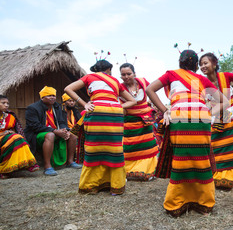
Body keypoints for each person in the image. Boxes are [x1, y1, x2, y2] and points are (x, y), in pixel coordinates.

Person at [146, 50, 225, 217]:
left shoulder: (171, 74)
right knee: (201, 159)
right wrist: (209, 112)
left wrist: (165, 110)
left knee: (181, 158)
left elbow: (149, 89)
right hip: (201, 118)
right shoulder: (201, 79)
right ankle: (204, 203)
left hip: (179, 116)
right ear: (196, 65)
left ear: (180, 62)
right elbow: (223, 101)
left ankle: (176, 203)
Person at [64, 59, 137, 195]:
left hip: (96, 110)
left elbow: (68, 88)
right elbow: (132, 101)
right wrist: (117, 106)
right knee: (114, 149)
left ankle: (90, 185)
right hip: (114, 113)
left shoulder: (89, 77)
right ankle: (116, 186)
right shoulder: (115, 81)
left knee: (94, 147)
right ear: (109, 69)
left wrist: (84, 103)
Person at [199, 52, 233, 190]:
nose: (202, 66)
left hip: (231, 114)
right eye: (201, 64)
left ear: (215, 63)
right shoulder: (202, 84)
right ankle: (222, 178)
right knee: (218, 147)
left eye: (205, 63)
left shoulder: (226, 76)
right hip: (216, 117)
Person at [24, 86, 81, 176]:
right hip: (37, 134)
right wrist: (54, 131)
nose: (52, 97)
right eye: (49, 95)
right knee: (50, 135)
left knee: (72, 135)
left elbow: (62, 121)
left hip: (54, 131)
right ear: (42, 97)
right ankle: (47, 166)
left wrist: (64, 130)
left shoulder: (56, 107)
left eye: (53, 95)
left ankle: (70, 161)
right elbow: (34, 126)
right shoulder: (33, 108)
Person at [119, 63, 159, 181]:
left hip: (145, 121)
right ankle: (127, 171)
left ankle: (147, 171)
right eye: (123, 75)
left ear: (134, 73)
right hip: (129, 122)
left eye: (129, 74)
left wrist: (153, 105)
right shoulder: (119, 88)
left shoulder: (143, 81)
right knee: (129, 147)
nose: (126, 77)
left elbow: (152, 93)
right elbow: (121, 107)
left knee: (148, 146)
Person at [1, 95, 39, 178]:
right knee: (16, 138)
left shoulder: (10, 116)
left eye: (7, 103)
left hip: (8, 138)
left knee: (18, 138)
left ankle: (7, 169)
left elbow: (16, 129)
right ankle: (29, 164)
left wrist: (9, 133)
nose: (6, 105)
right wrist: (4, 133)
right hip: (3, 137)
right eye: (3, 103)